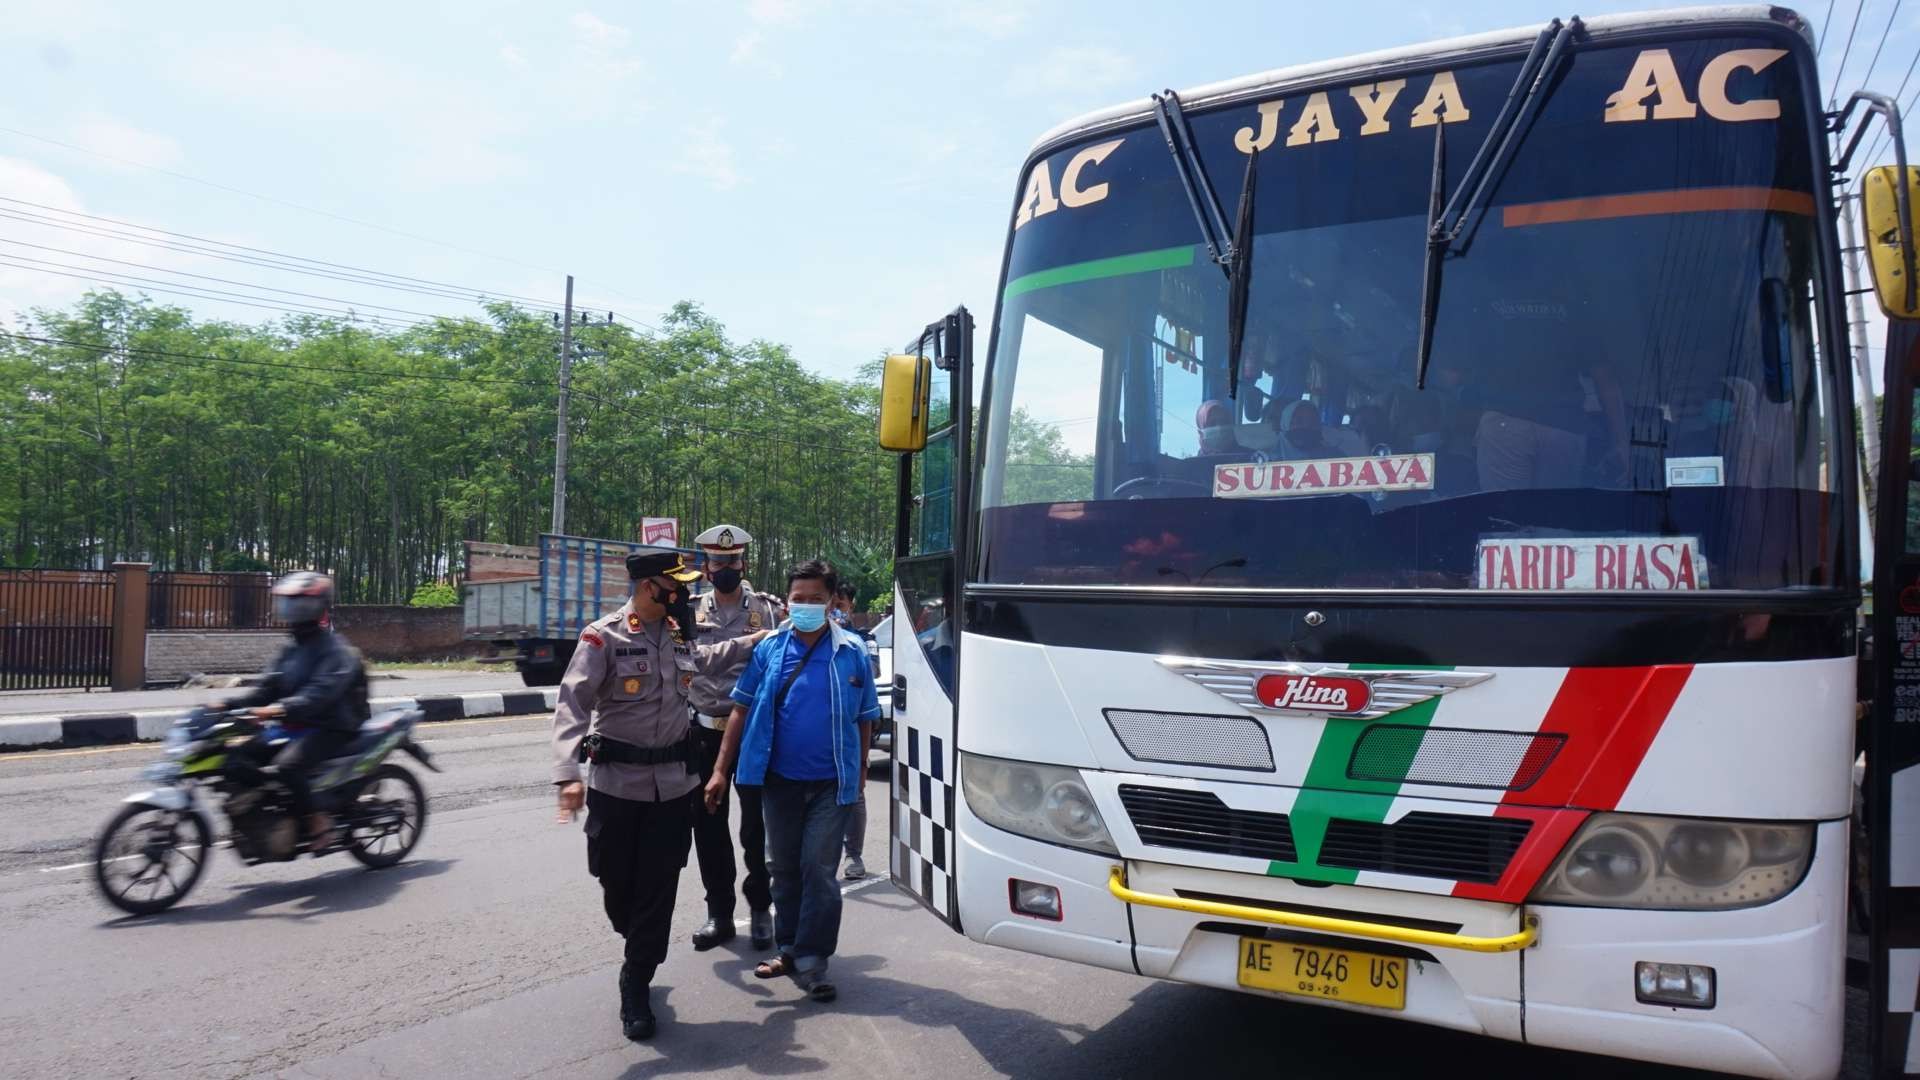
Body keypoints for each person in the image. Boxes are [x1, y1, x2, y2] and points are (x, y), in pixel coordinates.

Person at [551, 549, 770, 1042]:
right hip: (616, 789)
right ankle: (638, 944)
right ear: (652, 587)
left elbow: (707, 660)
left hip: (674, 787)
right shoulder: (602, 636)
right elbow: (572, 703)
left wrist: (752, 640)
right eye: (678, 586)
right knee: (616, 888)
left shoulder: (678, 633)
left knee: (658, 890)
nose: (687, 594)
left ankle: (636, 981)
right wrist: (567, 773)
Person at [704, 559, 881, 1004]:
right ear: (787, 602)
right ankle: (789, 948)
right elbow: (740, 708)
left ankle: (813, 960)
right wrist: (720, 770)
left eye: (815, 600)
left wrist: (859, 774)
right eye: (797, 599)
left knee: (819, 871)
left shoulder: (852, 651)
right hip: (779, 782)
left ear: (832, 602)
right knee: (782, 869)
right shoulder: (769, 650)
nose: (803, 607)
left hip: (830, 784)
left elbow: (865, 719)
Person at [686, 523, 785, 953]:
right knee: (708, 830)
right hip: (703, 732)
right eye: (717, 561)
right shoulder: (687, 611)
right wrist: (750, 642)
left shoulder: (769, 609)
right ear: (705, 567)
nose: (725, 567)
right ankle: (720, 914)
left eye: (733, 561)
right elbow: (693, 665)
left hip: (752, 735)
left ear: (743, 562)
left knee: (755, 829)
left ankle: (761, 910)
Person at [221, 571, 368, 851]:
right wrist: (228, 705)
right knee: (236, 758)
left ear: (318, 606)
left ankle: (317, 821)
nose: (293, 611)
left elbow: (320, 693)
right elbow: (267, 688)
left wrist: (278, 709)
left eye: (300, 604)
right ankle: (268, 814)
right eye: (289, 604)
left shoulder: (336, 650)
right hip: (293, 724)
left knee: (287, 767)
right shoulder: (291, 649)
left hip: (332, 726)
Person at [830, 583, 877, 881]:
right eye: (831, 602)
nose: (835, 608)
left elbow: (873, 671)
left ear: (851, 604)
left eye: (841, 602)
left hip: (855, 721)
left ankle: (854, 855)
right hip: (824, 727)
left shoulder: (863, 639)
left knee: (854, 791)